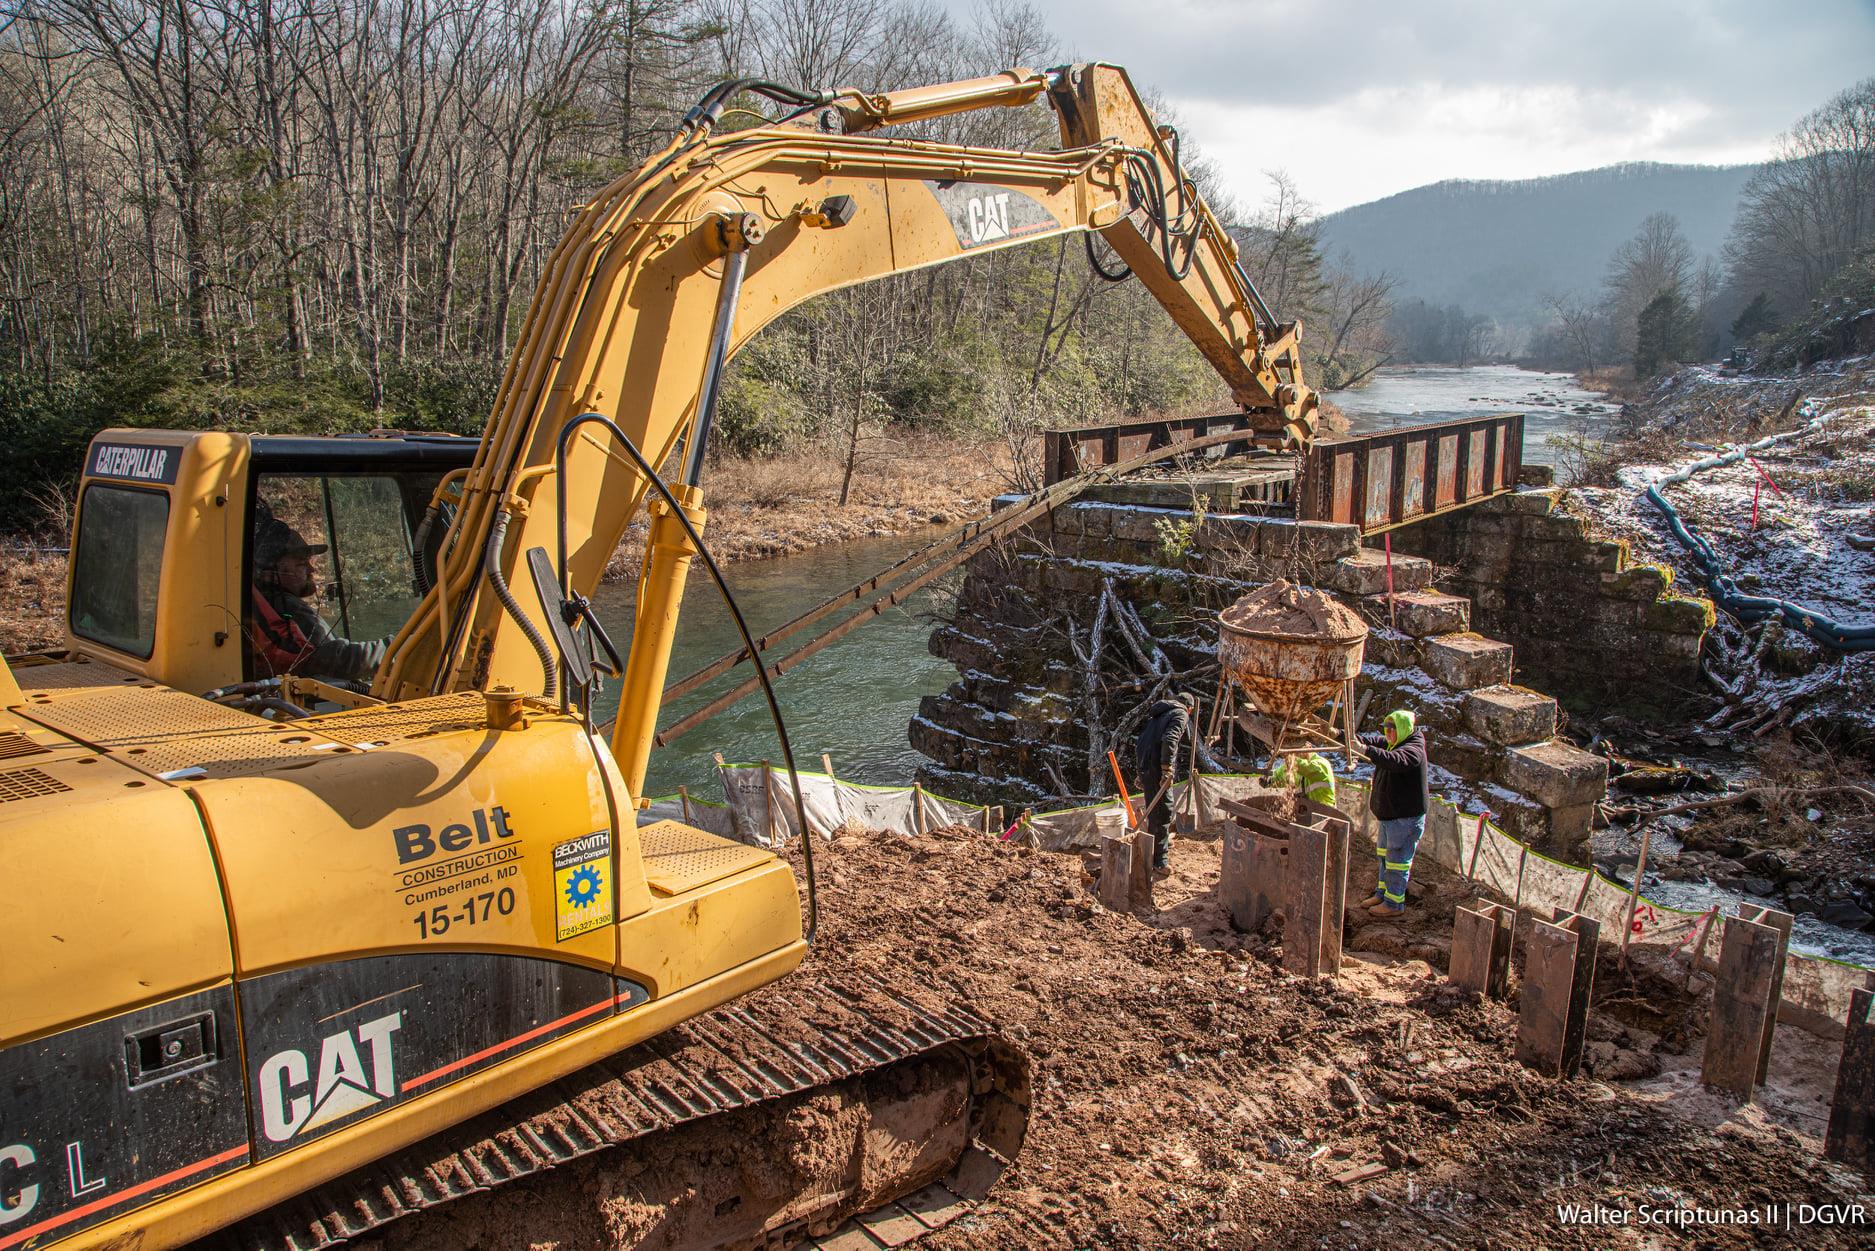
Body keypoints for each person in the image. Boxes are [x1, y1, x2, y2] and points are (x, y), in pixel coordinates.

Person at [248, 517, 388, 683]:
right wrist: (399, 648)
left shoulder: (261, 604)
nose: (311, 569)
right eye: (301, 563)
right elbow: (338, 660)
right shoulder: (287, 608)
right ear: (272, 569)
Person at [1359, 708, 1428, 917]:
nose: (1388, 733)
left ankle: (1394, 904)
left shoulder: (1412, 750)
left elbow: (1395, 760)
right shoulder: (1394, 741)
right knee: (1384, 857)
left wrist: (1365, 751)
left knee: (1397, 861)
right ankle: (1382, 893)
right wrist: (1340, 736)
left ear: (1403, 728)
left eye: (1392, 729)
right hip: (1390, 816)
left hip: (1405, 818)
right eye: (1386, 729)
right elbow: (1370, 740)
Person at [1135, 690, 1198, 872]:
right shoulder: (1181, 714)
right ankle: (1159, 861)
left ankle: (1157, 846)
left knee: (1155, 810)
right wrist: (1166, 769)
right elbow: (1170, 740)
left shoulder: (1160, 714)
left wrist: (1142, 770)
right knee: (1163, 810)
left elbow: (1142, 742)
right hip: (1155, 766)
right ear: (1190, 709)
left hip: (1146, 763)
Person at [1268, 751, 1337, 808]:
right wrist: (1270, 780)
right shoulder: (1297, 765)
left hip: (1324, 812)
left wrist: (1289, 756)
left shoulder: (1322, 764)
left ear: (1309, 748)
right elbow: (1282, 774)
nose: (1296, 754)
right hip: (1306, 810)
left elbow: (1307, 768)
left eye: (1299, 751)